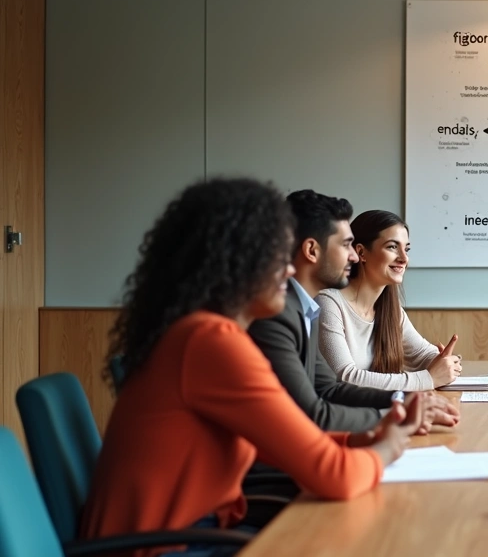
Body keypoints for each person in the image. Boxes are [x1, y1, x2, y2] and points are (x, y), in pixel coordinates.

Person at [80, 179, 425, 552]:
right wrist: (388, 447)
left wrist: (362, 438)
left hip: (193, 532)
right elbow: (334, 475)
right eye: (276, 257)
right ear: (236, 264)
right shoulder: (211, 342)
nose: (289, 270)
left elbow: (277, 440)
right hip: (166, 546)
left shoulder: (205, 334)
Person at [247, 190, 460, 432]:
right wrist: (399, 414)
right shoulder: (281, 315)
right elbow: (314, 412)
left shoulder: (306, 309)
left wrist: (404, 400)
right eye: (346, 245)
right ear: (312, 250)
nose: (353, 256)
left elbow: (330, 389)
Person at [318, 210, 462, 390]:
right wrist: (429, 378)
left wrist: (444, 361)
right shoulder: (328, 304)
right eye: (393, 247)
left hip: (374, 406)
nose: (404, 258)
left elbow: (422, 353)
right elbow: (346, 377)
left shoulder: (390, 309)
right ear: (361, 252)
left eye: (406, 249)